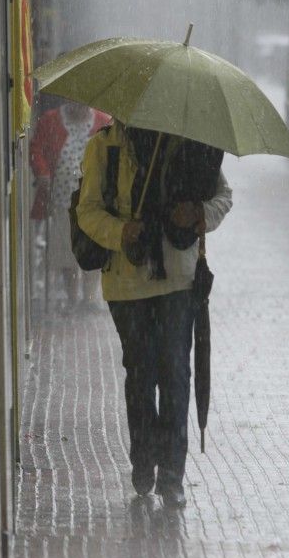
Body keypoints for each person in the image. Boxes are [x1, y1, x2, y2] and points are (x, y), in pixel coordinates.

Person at [76, 120, 232, 508]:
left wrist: (198, 212)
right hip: (126, 284)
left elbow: (223, 196)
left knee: (176, 372)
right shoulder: (104, 148)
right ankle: (143, 458)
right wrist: (122, 231)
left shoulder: (188, 144)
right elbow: (88, 210)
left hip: (178, 281)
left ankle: (172, 476)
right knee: (141, 372)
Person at [29, 101, 111, 311]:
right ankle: (73, 297)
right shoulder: (51, 120)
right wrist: (43, 173)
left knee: (91, 247)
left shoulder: (103, 121)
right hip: (61, 200)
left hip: (93, 201)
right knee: (67, 251)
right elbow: (36, 149)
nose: (80, 107)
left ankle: (90, 298)